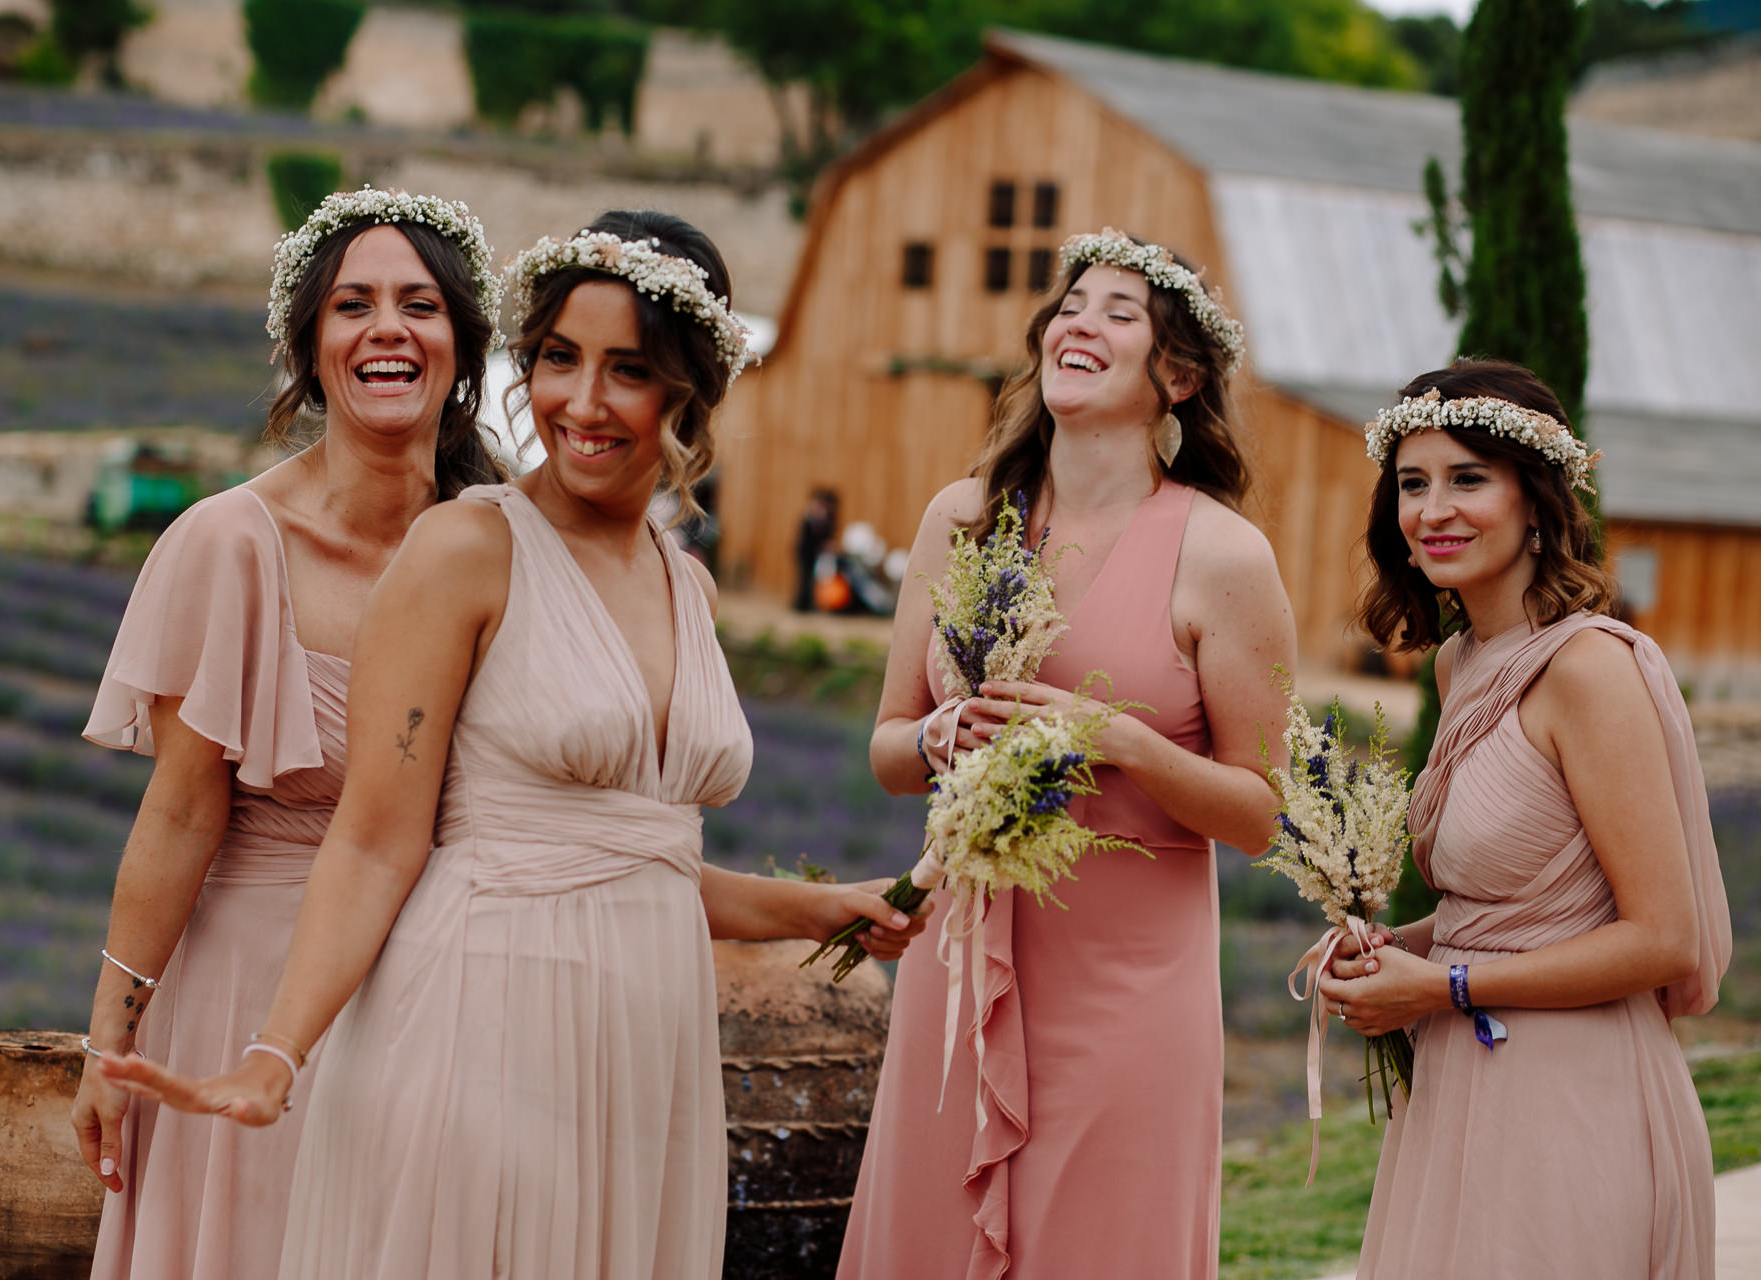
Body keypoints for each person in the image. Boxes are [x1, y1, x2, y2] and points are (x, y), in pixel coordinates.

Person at [98, 210, 927, 1280]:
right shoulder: (465, 548)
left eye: (626, 369)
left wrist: (821, 906)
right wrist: (275, 1053)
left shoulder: (690, 586)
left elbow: (632, 854)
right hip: (477, 1032)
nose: (580, 404)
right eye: (557, 360)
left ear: (690, 389)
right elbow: (377, 842)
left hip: (644, 1065)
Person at [69, 187, 512, 1280]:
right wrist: (107, 1043)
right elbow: (176, 811)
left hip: (454, 993)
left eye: (419, 305)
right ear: (311, 349)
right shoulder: (228, 545)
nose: (387, 330)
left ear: (463, 344)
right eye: (353, 306)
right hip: (248, 988)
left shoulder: (510, 546)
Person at [838, 229, 1296, 1280]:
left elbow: (1266, 813)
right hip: (963, 958)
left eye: (1117, 311)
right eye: (1070, 303)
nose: (1078, 323)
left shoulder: (1222, 553)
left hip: (1129, 984)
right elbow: (885, 750)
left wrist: (1121, 741)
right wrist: (944, 734)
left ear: (1176, 375)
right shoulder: (961, 518)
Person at [1319, 359, 1731, 1278]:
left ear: (1537, 501)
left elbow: (1665, 937)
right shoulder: (1459, 663)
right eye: (1413, 484)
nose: (1434, 510)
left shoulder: (1587, 671)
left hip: (1573, 1095)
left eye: (1469, 479)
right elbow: (1501, 908)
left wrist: (1441, 987)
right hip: (1466, 1084)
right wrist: (1396, 948)